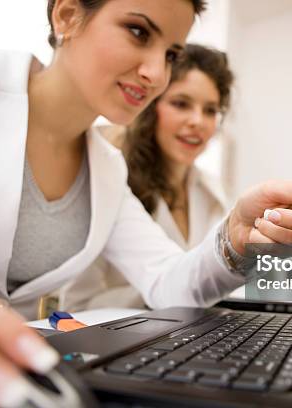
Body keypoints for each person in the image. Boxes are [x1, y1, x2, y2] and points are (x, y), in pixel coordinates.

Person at [0, 0, 292, 406]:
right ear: (68, 15)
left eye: (171, 52)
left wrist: (235, 233)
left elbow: (168, 283)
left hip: (12, 383)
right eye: (138, 32)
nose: (156, 73)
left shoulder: (107, 169)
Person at [60, 43, 233, 311]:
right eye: (181, 104)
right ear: (151, 108)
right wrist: (162, 294)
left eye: (210, 110)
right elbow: (77, 304)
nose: (197, 121)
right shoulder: (112, 185)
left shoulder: (211, 190)